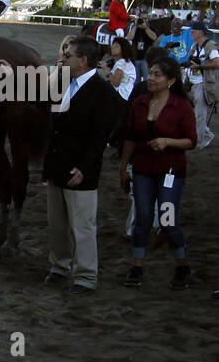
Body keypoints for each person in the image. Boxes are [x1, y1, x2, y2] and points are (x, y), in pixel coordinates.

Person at [43, 36, 119, 295]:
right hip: (57, 167)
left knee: (82, 226)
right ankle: (59, 266)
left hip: (80, 171)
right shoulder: (66, 83)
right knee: (57, 223)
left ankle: (86, 276)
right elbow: (43, 107)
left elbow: (100, 137)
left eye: (68, 56)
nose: (63, 59)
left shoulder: (102, 91)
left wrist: (85, 168)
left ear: (83, 61)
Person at [119, 57, 195, 289]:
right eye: (150, 73)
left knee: (168, 218)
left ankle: (182, 265)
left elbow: (191, 141)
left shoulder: (182, 107)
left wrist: (167, 141)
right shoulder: (140, 103)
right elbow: (130, 137)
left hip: (170, 170)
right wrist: (123, 167)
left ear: (170, 81)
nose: (150, 78)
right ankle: (137, 266)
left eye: (157, 75)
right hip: (142, 169)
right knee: (142, 218)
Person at [184, 23, 217, 150]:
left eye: (193, 31)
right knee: (195, 112)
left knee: (199, 113)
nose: (191, 33)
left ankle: (199, 141)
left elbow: (217, 63)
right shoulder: (194, 46)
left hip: (203, 82)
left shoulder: (210, 46)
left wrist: (200, 66)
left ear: (200, 32)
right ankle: (206, 134)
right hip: (193, 81)